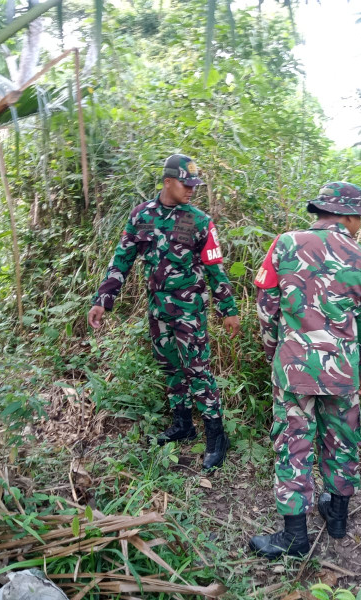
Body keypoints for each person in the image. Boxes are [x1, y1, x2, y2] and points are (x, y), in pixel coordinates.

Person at [249, 182, 361, 559]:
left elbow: (266, 303)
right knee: (342, 439)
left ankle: (294, 537)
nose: (360, 226)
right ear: (350, 217)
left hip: (294, 366)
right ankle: (337, 519)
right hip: (342, 369)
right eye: (360, 219)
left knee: (293, 444)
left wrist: (273, 349)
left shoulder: (285, 243)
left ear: (323, 211)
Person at [87, 153, 239, 471]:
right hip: (158, 312)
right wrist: (103, 299)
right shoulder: (141, 216)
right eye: (186, 184)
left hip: (189, 313)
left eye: (194, 184)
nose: (191, 189)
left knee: (198, 372)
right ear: (168, 181)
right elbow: (122, 260)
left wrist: (229, 308)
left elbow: (215, 269)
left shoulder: (200, 221)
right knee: (171, 369)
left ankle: (216, 436)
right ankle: (183, 425)